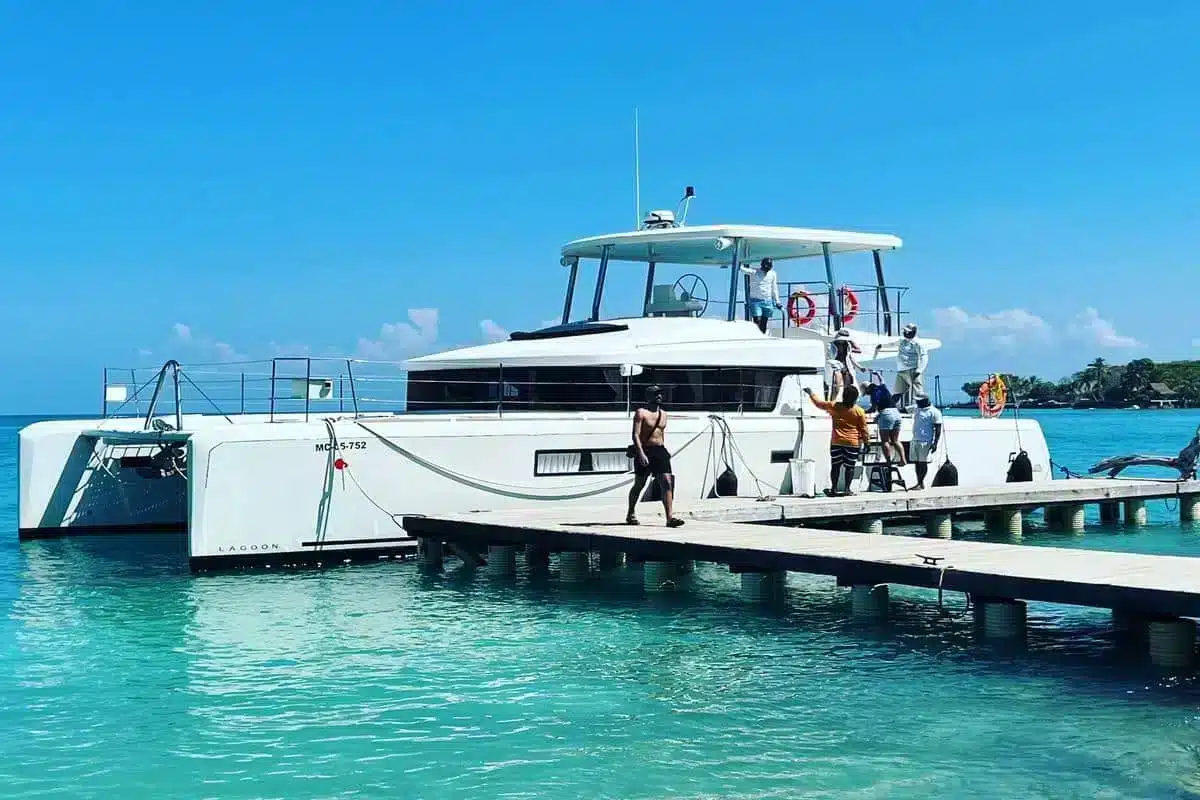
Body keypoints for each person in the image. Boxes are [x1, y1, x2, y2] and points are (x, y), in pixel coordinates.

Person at [626, 385, 685, 527]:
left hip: (659, 450)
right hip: (645, 450)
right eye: (656, 394)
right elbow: (635, 434)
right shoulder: (641, 413)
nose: (659, 396)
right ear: (648, 397)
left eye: (660, 394)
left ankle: (669, 518)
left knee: (667, 482)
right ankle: (631, 512)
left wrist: (664, 453)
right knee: (639, 484)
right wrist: (641, 453)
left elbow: (661, 434)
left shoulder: (664, 414)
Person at [803, 384, 869, 497]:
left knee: (835, 466)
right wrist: (867, 443)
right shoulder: (859, 411)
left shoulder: (834, 406)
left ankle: (833, 489)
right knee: (850, 467)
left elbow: (819, 404)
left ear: (843, 396)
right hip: (852, 443)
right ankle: (847, 489)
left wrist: (811, 393)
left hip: (836, 442)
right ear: (856, 398)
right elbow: (864, 429)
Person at [910, 394, 943, 490]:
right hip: (915, 439)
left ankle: (920, 482)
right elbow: (903, 410)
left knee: (922, 463)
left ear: (925, 401)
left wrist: (935, 443)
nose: (917, 402)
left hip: (925, 441)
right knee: (916, 463)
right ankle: (919, 483)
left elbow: (938, 429)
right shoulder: (916, 408)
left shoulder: (934, 412)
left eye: (919, 401)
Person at [740, 257, 781, 334]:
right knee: (757, 320)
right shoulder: (754, 271)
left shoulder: (773, 274)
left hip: (768, 301)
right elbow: (742, 269)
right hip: (755, 301)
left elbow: (774, 288)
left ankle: (762, 336)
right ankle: (757, 335)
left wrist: (777, 301)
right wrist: (739, 260)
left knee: (764, 322)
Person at [894, 323, 928, 402]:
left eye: (907, 331)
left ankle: (925, 406)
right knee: (898, 392)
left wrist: (919, 370)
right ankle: (890, 407)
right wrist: (881, 346)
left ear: (913, 332)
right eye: (905, 331)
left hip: (912, 370)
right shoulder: (902, 341)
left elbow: (924, 357)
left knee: (918, 392)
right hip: (901, 370)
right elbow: (892, 344)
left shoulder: (918, 343)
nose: (905, 333)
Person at [828, 328, 862, 401]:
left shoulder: (847, 345)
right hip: (836, 368)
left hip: (846, 368)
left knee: (848, 388)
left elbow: (851, 356)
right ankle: (832, 403)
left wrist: (859, 367)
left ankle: (845, 402)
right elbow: (829, 358)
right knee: (836, 388)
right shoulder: (831, 345)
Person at [875, 390, 905, 469]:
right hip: (897, 414)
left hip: (886, 416)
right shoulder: (889, 399)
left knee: (885, 441)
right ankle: (903, 459)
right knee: (895, 440)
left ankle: (888, 462)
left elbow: (876, 409)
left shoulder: (876, 397)